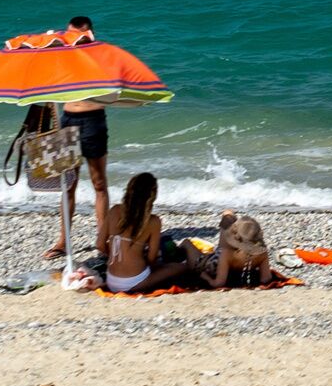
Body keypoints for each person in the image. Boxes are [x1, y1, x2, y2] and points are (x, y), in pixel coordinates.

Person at [43, 17, 115, 266]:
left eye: (77, 35)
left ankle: (103, 239)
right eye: (69, 34)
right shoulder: (63, 54)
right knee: (68, 184)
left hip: (94, 120)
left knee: (99, 183)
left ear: (89, 34)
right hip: (68, 119)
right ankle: (63, 241)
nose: (72, 38)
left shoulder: (100, 53)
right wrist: (48, 48)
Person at [95, 172, 211, 295]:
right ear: (152, 197)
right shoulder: (153, 221)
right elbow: (151, 259)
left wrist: (117, 255)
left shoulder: (114, 211)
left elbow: (100, 245)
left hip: (112, 280)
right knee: (181, 267)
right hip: (134, 282)